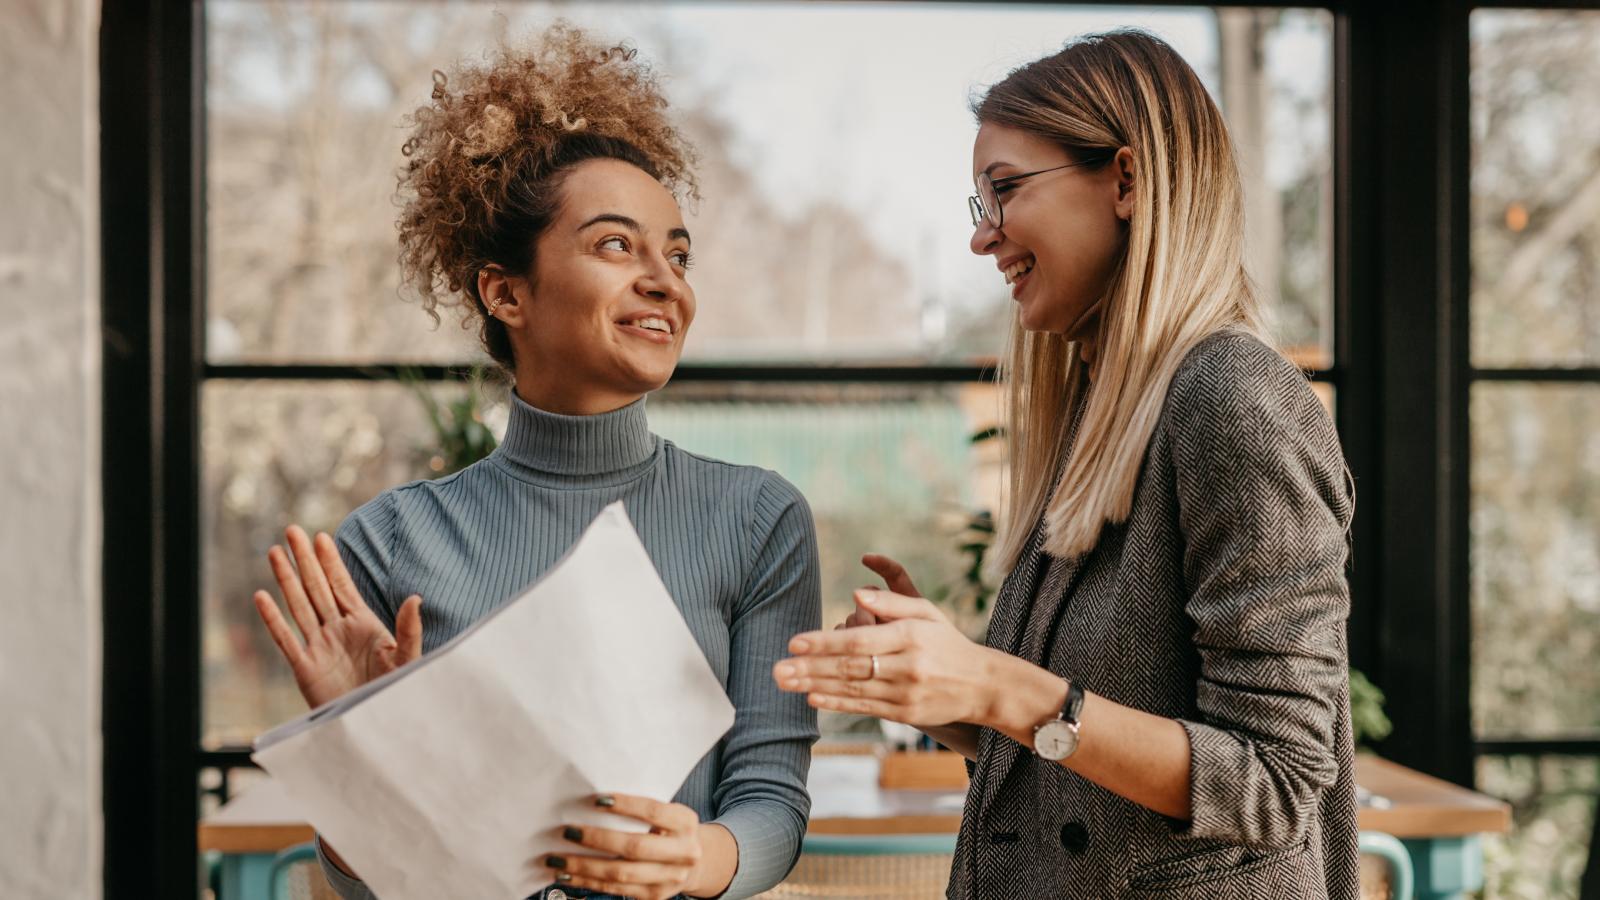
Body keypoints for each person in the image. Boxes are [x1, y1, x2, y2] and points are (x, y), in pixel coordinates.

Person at [774, 30, 1359, 898]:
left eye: (1005, 191)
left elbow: (1275, 783)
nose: (985, 239)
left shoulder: (1234, 398)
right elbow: (1076, 764)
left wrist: (995, 683)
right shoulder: (1105, 416)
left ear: (1126, 179)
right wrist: (956, 692)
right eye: (981, 204)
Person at [252, 26, 819, 900]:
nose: (667, 280)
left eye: (676, 253)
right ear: (505, 291)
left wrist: (700, 859)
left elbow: (771, 800)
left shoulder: (757, 520)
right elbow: (365, 886)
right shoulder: (389, 542)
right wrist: (359, 757)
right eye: (616, 245)